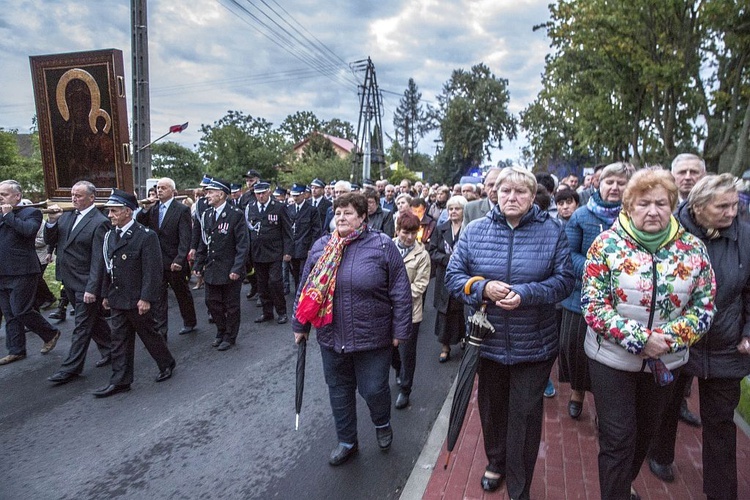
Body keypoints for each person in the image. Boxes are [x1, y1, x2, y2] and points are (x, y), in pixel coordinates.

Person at [581, 168, 715, 500]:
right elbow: (593, 304)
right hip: (612, 359)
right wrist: (641, 339)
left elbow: (704, 307)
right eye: (643, 203)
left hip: (666, 361)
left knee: (644, 433)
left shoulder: (693, 249)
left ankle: (621, 484)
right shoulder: (606, 245)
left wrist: (667, 340)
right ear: (628, 207)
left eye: (661, 203)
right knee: (618, 437)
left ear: (672, 206)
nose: (652, 211)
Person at [445, 167, 575, 498]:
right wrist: (483, 288)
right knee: (492, 408)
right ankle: (496, 461)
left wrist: (527, 294)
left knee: (525, 416)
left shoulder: (552, 231)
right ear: (495, 194)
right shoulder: (475, 231)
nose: (511, 197)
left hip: (533, 342)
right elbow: (453, 277)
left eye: (519, 192)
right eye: (505, 191)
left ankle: (520, 485)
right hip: (487, 343)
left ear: (533, 197)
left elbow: (564, 281)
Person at [648, 173, 749, 499]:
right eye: (723, 206)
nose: (731, 213)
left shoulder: (745, 237)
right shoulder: (670, 234)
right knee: (666, 405)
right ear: (698, 207)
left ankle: (721, 492)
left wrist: (748, 331)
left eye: (735, 205)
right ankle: (660, 454)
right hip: (677, 340)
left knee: (720, 423)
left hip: (725, 344)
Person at [292, 192, 411, 466]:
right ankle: (347, 441)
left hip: (373, 337)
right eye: (338, 213)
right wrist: (300, 324)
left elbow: (401, 292)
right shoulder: (322, 246)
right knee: (339, 390)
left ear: (362, 217)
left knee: (373, 389)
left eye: (348, 213)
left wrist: (400, 331)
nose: (341, 218)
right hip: (331, 336)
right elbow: (306, 288)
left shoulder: (382, 246)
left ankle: (382, 423)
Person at [559, 162, 632, 419]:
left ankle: (605, 403)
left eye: (620, 183)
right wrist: (598, 272)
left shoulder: (634, 216)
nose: (614, 187)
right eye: (609, 181)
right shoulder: (581, 215)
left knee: (610, 356)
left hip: (623, 301)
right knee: (575, 348)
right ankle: (577, 391)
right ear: (598, 184)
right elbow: (569, 254)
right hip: (581, 296)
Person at [93, 189, 176, 397]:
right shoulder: (110, 236)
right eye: (109, 211)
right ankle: (120, 380)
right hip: (118, 297)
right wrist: (105, 295)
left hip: (137, 298)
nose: (110, 215)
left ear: (128, 212)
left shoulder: (145, 236)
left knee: (149, 335)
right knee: (119, 339)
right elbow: (107, 267)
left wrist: (146, 298)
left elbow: (152, 271)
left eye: (114, 211)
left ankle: (166, 363)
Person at [44, 181, 112, 383]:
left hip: (86, 283)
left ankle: (70, 368)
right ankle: (112, 349)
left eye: (79, 195)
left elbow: (98, 260)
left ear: (92, 198)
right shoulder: (66, 216)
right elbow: (52, 240)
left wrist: (92, 288)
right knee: (94, 321)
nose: (74, 198)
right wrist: (51, 221)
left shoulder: (99, 222)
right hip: (69, 280)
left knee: (81, 326)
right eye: (72, 195)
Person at [0, 180, 61, 365]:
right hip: (3, 272)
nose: (0, 197)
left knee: (21, 310)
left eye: (4, 194)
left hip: (23, 271)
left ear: (17, 196)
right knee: (9, 313)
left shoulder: (31, 212)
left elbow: (29, 231)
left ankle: (50, 333)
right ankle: (16, 349)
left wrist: (9, 215)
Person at [136, 177, 197, 339]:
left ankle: (189, 321)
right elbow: (139, 222)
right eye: (158, 188)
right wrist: (145, 208)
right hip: (157, 261)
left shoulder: (181, 209)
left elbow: (185, 237)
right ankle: (161, 331)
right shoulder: (154, 209)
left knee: (181, 292)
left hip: (174, 260)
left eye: (163, 188)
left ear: (172, 191)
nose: (159, 190)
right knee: (159, 297)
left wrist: (180, 259)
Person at [193, 178, 249, 350]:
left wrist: (237, 268)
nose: (207, 195)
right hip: (212, 268)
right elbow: (204, 242)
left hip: (230, 268)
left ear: (222, 194)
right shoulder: (207, 215)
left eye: (210, 192)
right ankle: (221, 329)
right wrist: (197, 264)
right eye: (207, 192)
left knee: (231, 305)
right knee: (212, 302)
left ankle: (230, 336)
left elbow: (242, 244)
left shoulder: (236, 214)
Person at [391, 212, 431, 410]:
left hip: (409, 312)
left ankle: (406, 389)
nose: (409, 237)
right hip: (386, 311)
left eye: (413, 233)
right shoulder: (386, 248)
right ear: (397, 230)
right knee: (390, 350)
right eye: (405, 232)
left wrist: (398, 297)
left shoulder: (422, 255)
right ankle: (398, 371)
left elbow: (420, 285)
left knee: (407, 352)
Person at [245, 181, 292, 324]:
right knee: (262, 284)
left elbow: (287, 231)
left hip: (275, 252)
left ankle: (281, 312)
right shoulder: (251, 208)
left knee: (275, 282)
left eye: (263, 193)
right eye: (258, 194)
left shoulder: (279, 207)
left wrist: (287, 251)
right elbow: (248, 231)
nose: (260, 196)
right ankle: (267, 312)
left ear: (269, 192)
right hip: (258, 253)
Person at [429, 195, 467, 363]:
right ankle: (445, 347)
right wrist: (446, 258)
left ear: (463, 211)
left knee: (462, 311)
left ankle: (464, 339)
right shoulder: (441, 228)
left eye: (456, 209)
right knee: (445, 311)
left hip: (464, 276)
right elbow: (432, 251)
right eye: (450, 209)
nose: (452, 212)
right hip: (444, 276)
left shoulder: (469, 228)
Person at [286, 183, 321, 294]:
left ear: (304, 194)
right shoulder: (289, 209)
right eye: (293, 195)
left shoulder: (312, 210)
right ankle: (298, 290)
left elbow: (316, 231)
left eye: (297, 195)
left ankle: (301, 293)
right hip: (292, 248)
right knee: (295, 273)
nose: (295, 198)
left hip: (305, 247)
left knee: (303, 273)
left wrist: (312, 247)